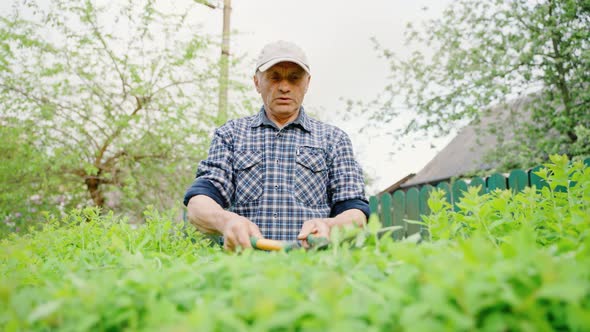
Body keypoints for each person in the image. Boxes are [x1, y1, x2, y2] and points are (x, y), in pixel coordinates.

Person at [183, 40, 370, 251]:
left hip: (314, 266)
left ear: (307, 83)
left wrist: (330, 225)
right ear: (256, 82)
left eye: (294, 78)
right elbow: (199, 203)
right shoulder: (230, 135)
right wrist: (227, 222)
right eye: (274, 77)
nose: (284, 87)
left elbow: (356, 213)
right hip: (246, 267)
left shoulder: (334, 139)